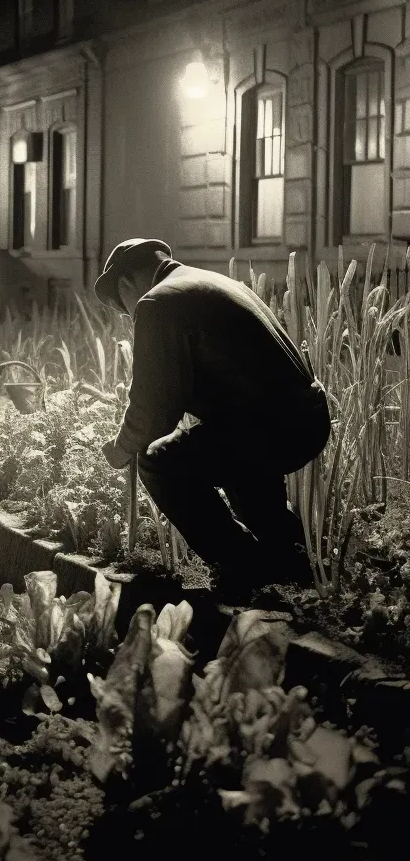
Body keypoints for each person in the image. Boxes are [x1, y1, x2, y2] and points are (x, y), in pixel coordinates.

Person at [94, 238, 332, 601]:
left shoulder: (158, 302)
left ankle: (245, 568)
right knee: (239, 465)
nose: (130, 316)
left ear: (125, 283)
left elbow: (155, 408)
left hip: (269, 425)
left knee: (160, 463)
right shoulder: (209, 282)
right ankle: (300, 567)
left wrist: (122, 448)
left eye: (124, 309)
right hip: (302, 416)